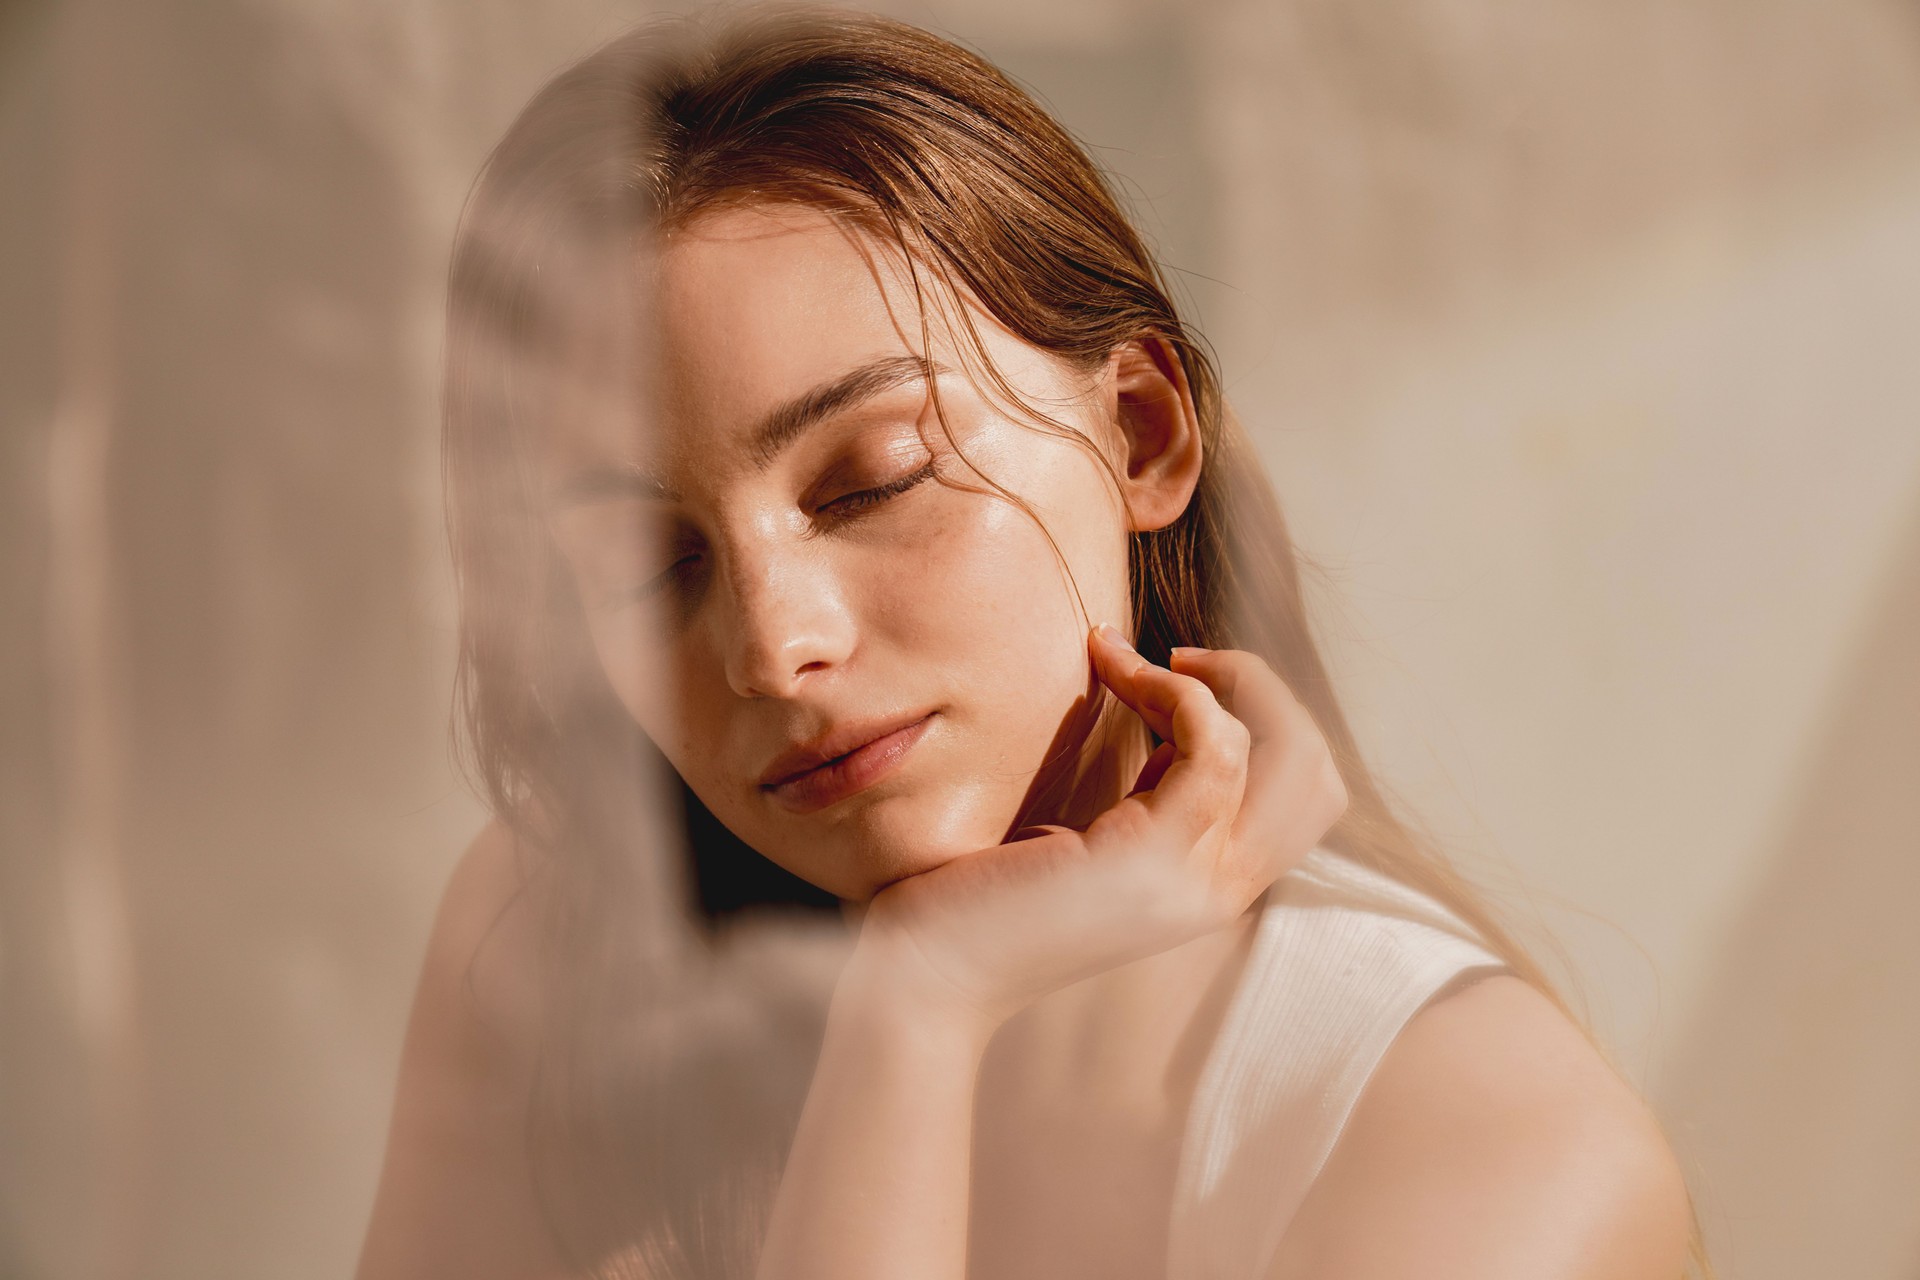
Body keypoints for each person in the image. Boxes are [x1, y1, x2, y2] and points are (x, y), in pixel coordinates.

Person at [355, 9, 1701, 1279]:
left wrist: (918, 1010)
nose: (774, 649)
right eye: (650, 568)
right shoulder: (554, 946)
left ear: (1144, 434)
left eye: (874, 478)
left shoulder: (1490, 1157)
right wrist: (914, 1023)